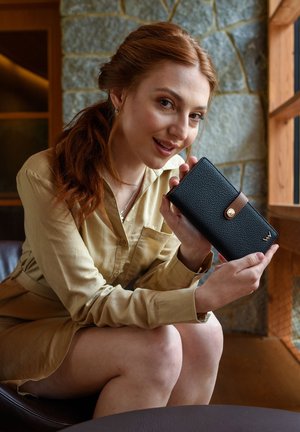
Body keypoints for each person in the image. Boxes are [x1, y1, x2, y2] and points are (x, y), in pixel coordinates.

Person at [0, 22, 278, 418]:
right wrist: (200, 297)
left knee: (206, 332)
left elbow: (147, 289)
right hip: (29, 331)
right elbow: (88, 302)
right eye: (166, 103)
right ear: (120, 93)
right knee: (158, 348)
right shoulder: (44, 174)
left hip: (109, 330)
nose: (181, 131)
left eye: (195, 115)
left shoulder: (175, 180)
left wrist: (192, 254)